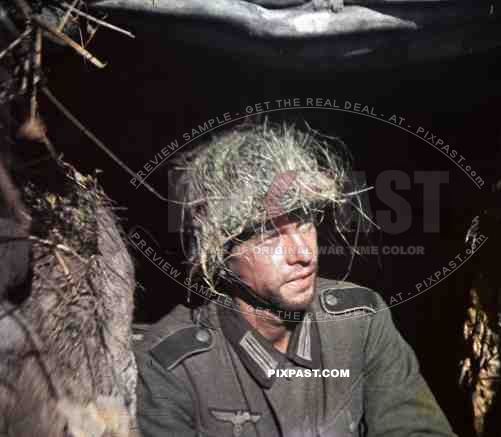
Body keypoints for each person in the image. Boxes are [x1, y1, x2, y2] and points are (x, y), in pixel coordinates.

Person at [134, 120, 457, 437]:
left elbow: (416, 427)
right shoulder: (171, 364)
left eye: (304, 222)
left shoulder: (360, 321)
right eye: (269, 234)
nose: (303, 253)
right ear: (220, 256)